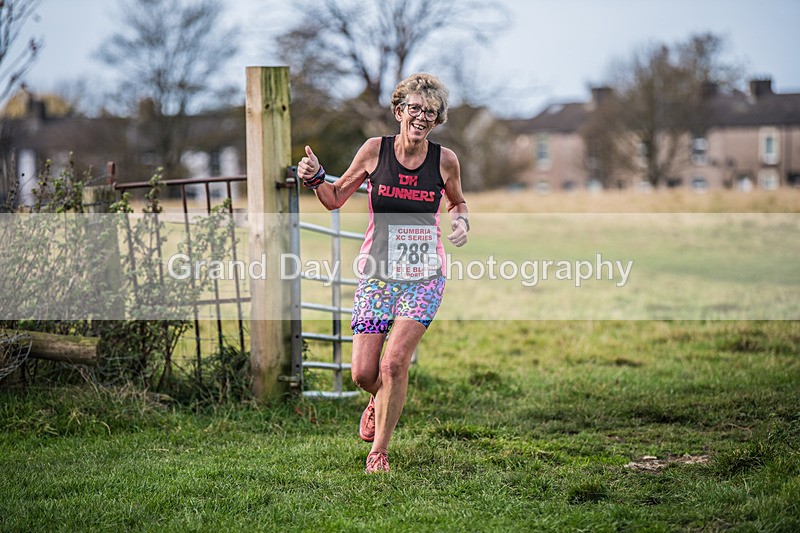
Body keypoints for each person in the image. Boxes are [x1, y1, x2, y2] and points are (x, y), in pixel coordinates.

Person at [297, 73, 469, 473]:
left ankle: (379, 452)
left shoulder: (445, 160)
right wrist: (315, 177)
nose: (421, 117)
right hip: (377, 273)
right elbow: (335, 198)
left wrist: (461, 220)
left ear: (438, 119)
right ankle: (379, 399)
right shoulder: (375, 151)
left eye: (430, 112)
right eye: (414, 109)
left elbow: (458, 202)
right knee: (363, 373)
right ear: (398, 111)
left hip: (425, 275)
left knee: (394, 364)